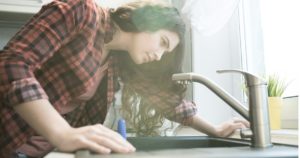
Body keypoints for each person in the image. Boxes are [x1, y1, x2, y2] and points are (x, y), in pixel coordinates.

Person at [0, 0, 249, 157]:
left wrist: (214, 129)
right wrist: (62, 133)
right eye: (162, 42)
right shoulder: (81, 12)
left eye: (166, 52)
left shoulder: (118, 61)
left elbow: (167, 102)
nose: (159, 55)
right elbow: (12, 64)